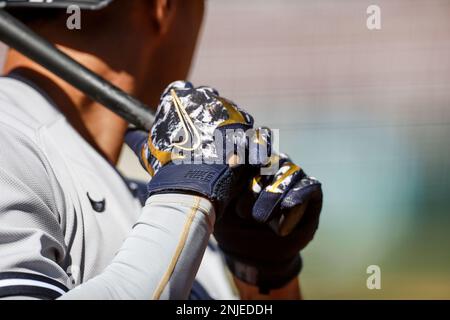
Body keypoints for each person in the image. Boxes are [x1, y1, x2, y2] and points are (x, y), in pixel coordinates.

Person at [0, 0, 322, 300]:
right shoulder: (180, 205)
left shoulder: (168, 208)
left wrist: (265, 282)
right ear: (162, 7)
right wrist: (190, 189)